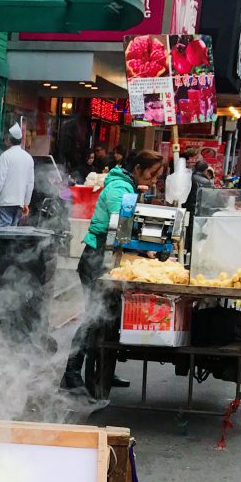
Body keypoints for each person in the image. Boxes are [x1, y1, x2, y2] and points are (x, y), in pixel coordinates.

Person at [63, 149, 167, 390]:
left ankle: (105, 368)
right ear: (138, 168)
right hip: (96, 260)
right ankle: (71, 371)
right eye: (151, 175)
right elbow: (121, 228)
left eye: (157, 177)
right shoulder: (119, 189)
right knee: (94, 316)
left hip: (109, 260)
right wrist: (146, 247)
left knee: (109, 318)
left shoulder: (128, 187)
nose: (153, 181)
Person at [0, 123, 35, 227]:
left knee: (3, 227)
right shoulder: (28, 158)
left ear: (8, 140)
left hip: (5, 201)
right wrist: (26, 202)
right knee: (13, 229)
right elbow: (30, 183)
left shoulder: (5, 156)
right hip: (19, 201)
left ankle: (2, 244)